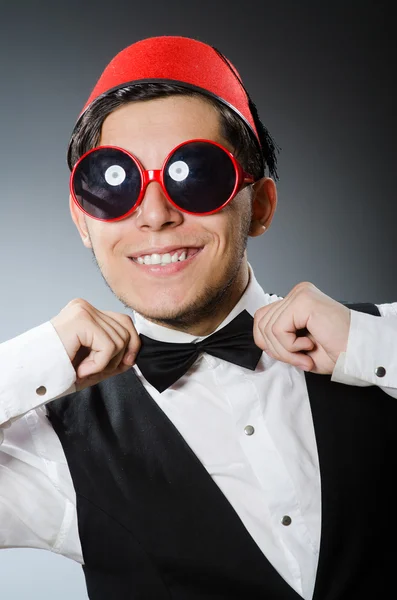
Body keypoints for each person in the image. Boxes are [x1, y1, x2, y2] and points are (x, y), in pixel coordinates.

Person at [1, 35, 397, 600]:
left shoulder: (382, 345)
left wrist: (369, 346)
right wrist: (33, 359)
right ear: (84, 219)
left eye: (196, 175)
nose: (157, 215)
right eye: (116, 184)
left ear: (257, 205)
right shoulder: (53, 442)